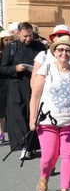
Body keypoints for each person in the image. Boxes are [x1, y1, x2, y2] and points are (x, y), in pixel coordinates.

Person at [29, 35, 70, 191]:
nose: (64, 53)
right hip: (48, 121)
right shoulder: (46, 69)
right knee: (49, 156)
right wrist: (32, 118)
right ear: (54, 52)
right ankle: (44, 176)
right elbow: (35, 95)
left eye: (68, 50)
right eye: (60, 50)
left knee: (68, 154)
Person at [0, 22, 46, 159]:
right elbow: (3, 68)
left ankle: (33, 145)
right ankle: (24, 146)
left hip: (35, 85)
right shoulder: (11, 47)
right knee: (18, 116)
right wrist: (15, 68)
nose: (28, 39)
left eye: (30, 35)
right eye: (25, 36)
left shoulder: (39, 46)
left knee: (33, 115)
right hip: (17, 86)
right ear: (18, 34)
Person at [0, 30, 14, 144]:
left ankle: (2, 132)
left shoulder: (14, 52)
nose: (9, 42)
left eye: (10, 39)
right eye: (6, 40)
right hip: (1, 81)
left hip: (9, 82)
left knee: (3, 109)